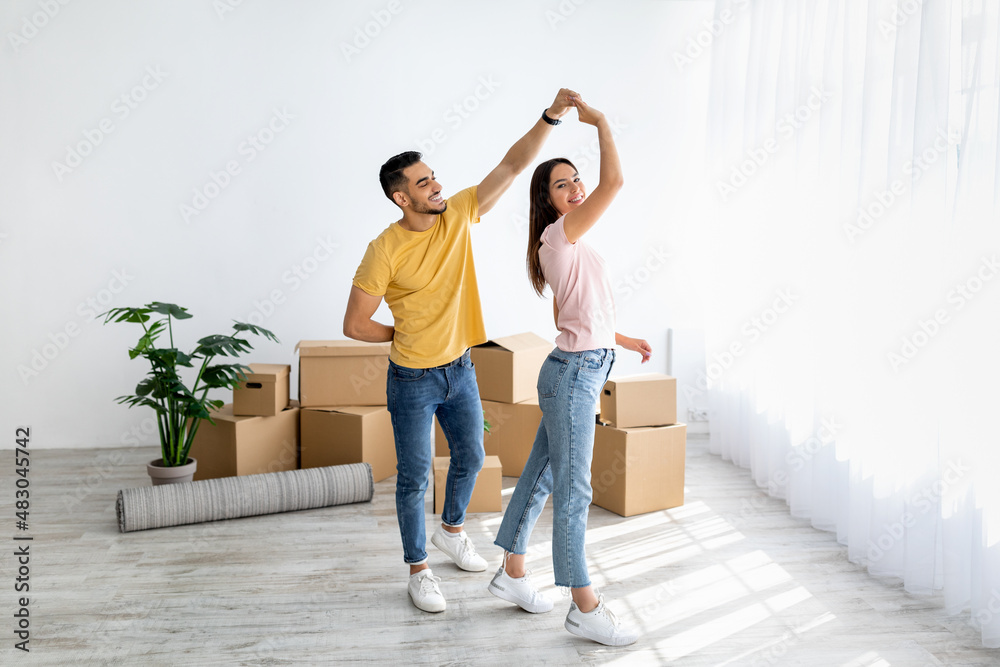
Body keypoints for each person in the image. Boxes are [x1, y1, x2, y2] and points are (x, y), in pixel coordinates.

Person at [343, 88, 579, 613]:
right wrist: (406, 335)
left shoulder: (456, 214)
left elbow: (514, 164)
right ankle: (419, 569)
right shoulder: (384, 249)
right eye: (424, 182)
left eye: (434, 176)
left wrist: (550, 117)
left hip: (460, 369)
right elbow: (356, 324)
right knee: (414, 478)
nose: (437, 185)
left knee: (470, 456)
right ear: (402, 197)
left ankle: (451, 530)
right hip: (411, 379)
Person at [487, 97, 652, 646]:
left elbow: (569, 313)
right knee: (575, 489)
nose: (577, 188)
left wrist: (620, 339)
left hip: (574, 368)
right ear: (547, 200)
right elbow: (616, 184)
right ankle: (584, 605)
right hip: (574, 376)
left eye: (577, 180)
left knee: (541, 477)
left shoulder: (566, 243)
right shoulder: (559, 236)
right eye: (563, 184)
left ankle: (512, 574)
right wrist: (604, 122)